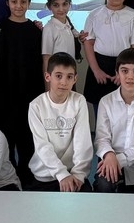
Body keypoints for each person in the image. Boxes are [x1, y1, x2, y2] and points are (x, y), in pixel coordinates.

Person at [0, 0, 42, 186]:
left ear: (28, 3)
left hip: (29, 96)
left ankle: (27, 179)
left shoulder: (35, 31)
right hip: (5, 97)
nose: (18, 6)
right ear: (7, 3)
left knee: (28, 142)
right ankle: (9, 181)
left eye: (23, 2)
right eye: (14, 1)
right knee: (6, 142)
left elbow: (38, 66)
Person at [93, 48, 134, 193]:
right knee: (104, 187)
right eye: (125, 71)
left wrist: (117, 160)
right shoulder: (106, 101)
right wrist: (109, 155)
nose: (130, 76)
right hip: (109, 160)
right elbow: (102, 138)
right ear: (117, 74)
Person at [27, 52, 93, 192]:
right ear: (48, 77)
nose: (64, 82)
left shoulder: (79, 101)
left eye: (69, 77)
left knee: (87, 202)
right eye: (58, 76)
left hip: (73, 173)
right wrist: (61, 174)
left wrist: (79, 174)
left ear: (75, 79)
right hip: (45, 175)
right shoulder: (36, 106)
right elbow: (42, 146)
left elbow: (83, 142)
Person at [82, 0, 134, 110]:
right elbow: (88, 43)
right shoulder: (94, 15)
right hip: (99, 67)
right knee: (100, 112)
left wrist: (125, 73)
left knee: (124, 112)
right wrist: (96, 70)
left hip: (125, 68)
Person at [40, 0, 80, 77]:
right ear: (49, 6)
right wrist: (48, 84)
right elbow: (46, 59)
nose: (61, 9)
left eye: (65, 4)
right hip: (56, 79)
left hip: (70, 76)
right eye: (56, 5)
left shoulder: (68, 25)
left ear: (69, 4)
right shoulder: (49, 28)